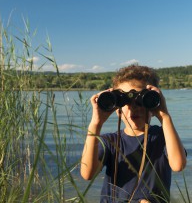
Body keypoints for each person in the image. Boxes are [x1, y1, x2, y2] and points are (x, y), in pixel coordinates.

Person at [80, 64, 186, 203]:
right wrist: (96, 124)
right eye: (125, 102)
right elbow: (87, 174)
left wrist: (164, 116)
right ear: (117, 108)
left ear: (153, 103)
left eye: (140, 101)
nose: (133, 108)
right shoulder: (109, 141)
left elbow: (178, 165)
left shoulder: (164, 136)